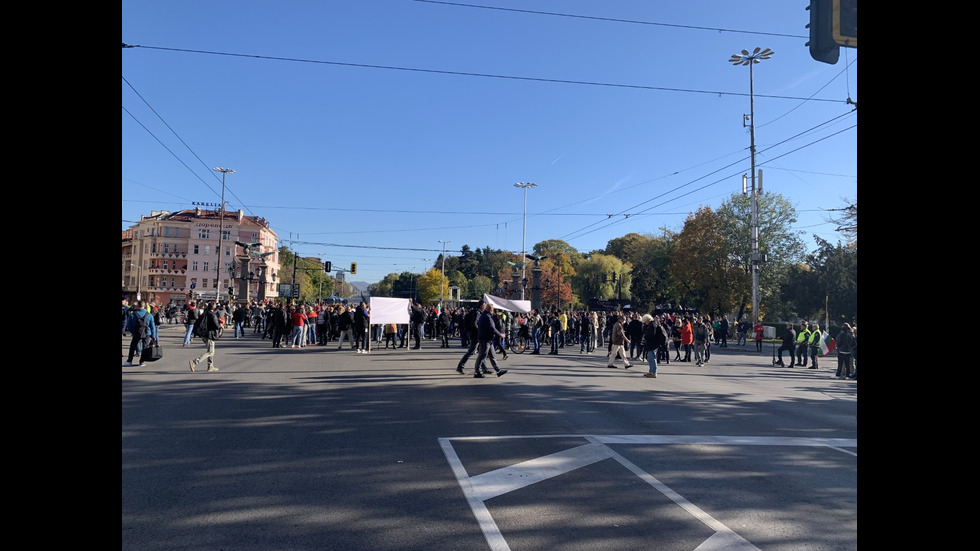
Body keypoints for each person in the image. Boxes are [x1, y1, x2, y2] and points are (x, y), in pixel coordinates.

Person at [473, 303, 508, 378]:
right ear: (490, 309)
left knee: (492, 355)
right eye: (493, 309)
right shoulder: (486, 317)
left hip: (488, 339)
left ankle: (498, 371)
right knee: (482, 356)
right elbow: (492, 328)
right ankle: (477, 372)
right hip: (485, 339)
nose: (493, 310)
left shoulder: (487, 315)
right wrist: (500, 334)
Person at [189, 302, 220, 372]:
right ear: (214, 308)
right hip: (210, 335)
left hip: (203, 334)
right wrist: (220, 325)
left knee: (210, 350)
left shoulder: (204, 313)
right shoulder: (213, 315)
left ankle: (210, 366)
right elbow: (216, 326)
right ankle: (194, 362)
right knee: (211, 352)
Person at [456, 302, 487, 374]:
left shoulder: (476, 312)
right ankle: (460, 366)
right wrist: (479, 330)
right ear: (481, 306)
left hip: (475, 334)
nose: (485, 306)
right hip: (475, 335)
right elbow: (474, 324)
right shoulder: (477, 313)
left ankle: (484, 368)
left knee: (481, 351)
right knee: (472, 351)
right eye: (484, 305)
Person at [124, 300, 157, 366]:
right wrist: (153, 336)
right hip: (147, 333)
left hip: (136, 332)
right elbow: (152, 326)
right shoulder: (149, 315)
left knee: (133, 346)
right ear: (144, 305)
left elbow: (129, 325)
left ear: (137, 305)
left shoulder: (133, 314)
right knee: (144, 347)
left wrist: (133, 332)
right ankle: (141, 361)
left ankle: (129, 361)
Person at [642, 314, 668, 378]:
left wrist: (645, 337)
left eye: (645, 321)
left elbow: (651, 335)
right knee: (650, 358)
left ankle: (654, 372)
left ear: (648, 320)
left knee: (652, 358)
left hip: (653, 344)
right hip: (653, 343)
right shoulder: (653, 324)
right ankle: (651, 371)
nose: (645, 323)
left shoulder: (652, 325)